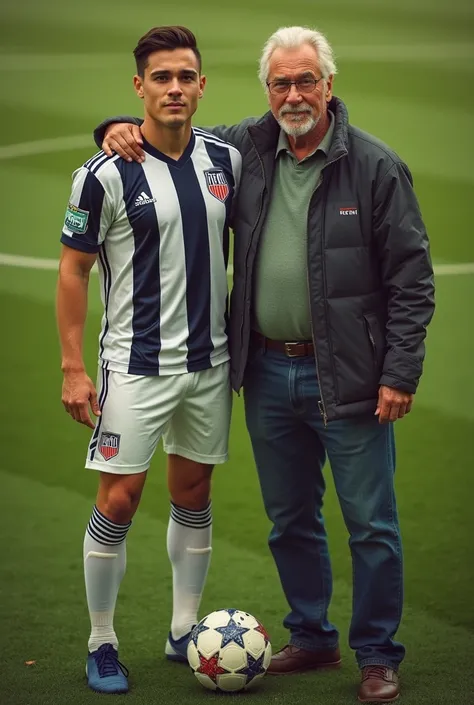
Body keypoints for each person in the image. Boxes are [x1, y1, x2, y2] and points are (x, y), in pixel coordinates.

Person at [93, 25, 435, 703]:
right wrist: (115, 125)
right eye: (281, 82)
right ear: (266, 90)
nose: (294, 93)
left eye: (307, 79)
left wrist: (400, 370)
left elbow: (412, 277)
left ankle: (376, 652)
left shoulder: (374, 165)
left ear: (329, 84)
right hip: (270, 374)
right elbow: (172, 127)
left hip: (356, 377)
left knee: (370, 522)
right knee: (292, 518)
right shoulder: (243, 148)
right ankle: (310, 636)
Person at [57, 25, 241, 694]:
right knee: (121, 497)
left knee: (193, 492)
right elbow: (73, 271)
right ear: (140, 86)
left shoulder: (226, 159)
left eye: (185, 76)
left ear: (201, 84)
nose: (174, 87)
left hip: (210, 363)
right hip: (132, 366)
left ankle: (184, 628)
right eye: (160, 77)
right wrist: (74, 368)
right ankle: (102, 639)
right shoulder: (103, 174)